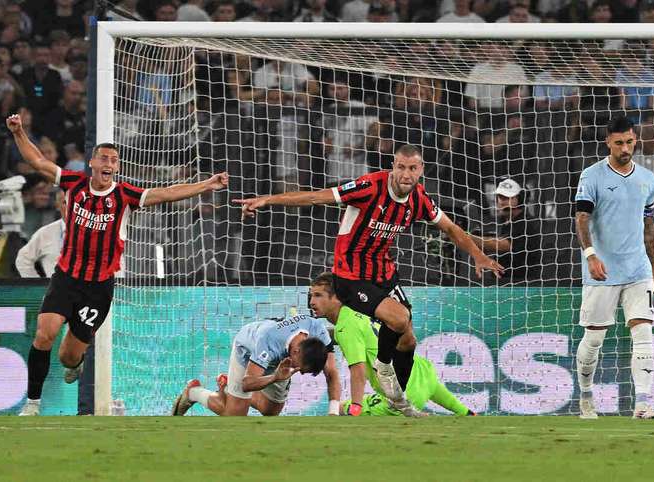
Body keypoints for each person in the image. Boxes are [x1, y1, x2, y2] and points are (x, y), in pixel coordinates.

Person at [235, 144, 503, 417]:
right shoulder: (368, 187)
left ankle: (397, 397)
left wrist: (478, 256)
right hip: (350, 275)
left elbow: (450, 227)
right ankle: (384, 366)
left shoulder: (419, 198)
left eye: (412, 168)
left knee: (408, 339)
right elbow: (316, 197)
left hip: (382, 273)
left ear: (421, 170)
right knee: (398, 319)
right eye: (401, 167)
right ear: (393, 166)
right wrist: (268, 200)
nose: (406, 174)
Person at [7, 113, 228, 416]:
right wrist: (19, 132)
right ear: (93, 164)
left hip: (98, 287)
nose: (109, 164)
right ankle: (32, 404)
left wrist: (205, 185)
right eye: (104, 159)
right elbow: (38, 162)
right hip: (66, 277)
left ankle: (77, 360)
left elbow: (167, 193)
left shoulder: (125, 196)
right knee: (44, 333)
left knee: (69, 357)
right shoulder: (74, 185)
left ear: (117, 167)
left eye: (114, 160)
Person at [574, 115, 654, 420]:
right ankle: (586, 399)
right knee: (594, 340)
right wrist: (590, 255)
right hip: (603, 271)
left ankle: (643, 403)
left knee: (644, 333)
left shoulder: (648, 179)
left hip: (637, 269)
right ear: (608, 142)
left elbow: (648, 224)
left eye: (630, 142)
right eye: (619, 143)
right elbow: (582, 219)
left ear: (635, 140)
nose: (626, 148)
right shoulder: (592, 176)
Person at [308, 272, 475, 417]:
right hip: (424, 374)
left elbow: (358, 370)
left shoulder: (345, 326)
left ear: (337, 298)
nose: (311, 302)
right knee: (458, 410)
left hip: (401, 394)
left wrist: (356, 407)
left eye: (318, 295)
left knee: (342, 408)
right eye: (311, 295)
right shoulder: (361, 310)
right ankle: (469, 414)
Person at [171, 313, 341, 416]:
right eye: (301, 368)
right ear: (296, 352)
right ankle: (194, 392)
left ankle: (230, 388)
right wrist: (275, 377)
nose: (300, 373)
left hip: (277, 357)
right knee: (234, 415)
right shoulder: (269, 340)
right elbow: (247, 383)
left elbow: (331, 372)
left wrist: (333, 412)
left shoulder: (317, 328)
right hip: (247, 350)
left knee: (270, 411)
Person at [472, 178, 542, 283]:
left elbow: (503, 245)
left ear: (520, 199)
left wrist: (466, 237)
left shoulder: (526, 222)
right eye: (500, 197)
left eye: (507, 198)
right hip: (504, 281)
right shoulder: (505, 221)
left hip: (522, 283)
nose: (501, 201)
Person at [16, 191, 66, 278]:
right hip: (55, 289)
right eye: (65, 202)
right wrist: (37, 287)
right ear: (57, 206)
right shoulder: (46, 233)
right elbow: (23, 259)